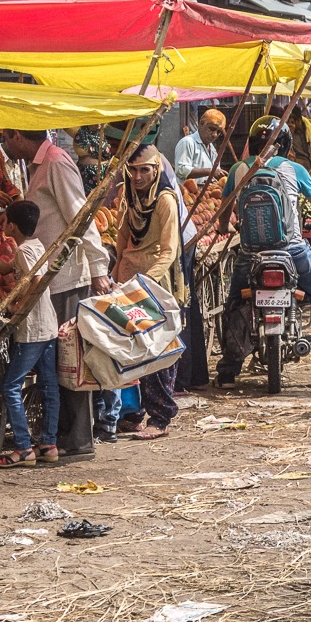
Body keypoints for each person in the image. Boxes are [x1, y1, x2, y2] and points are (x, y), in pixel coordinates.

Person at [0, 129, 112, 459]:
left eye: (6, 139)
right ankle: (57, 438)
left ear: (18, 136)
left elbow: (82, 217)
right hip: (50, 280)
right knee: (56, 368)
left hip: (65, 278)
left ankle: (77, 442)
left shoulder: (55, 163)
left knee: (69, 362)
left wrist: (98, 266)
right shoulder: (35, 167)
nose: (4, 146)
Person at [215, 117, 311, 389]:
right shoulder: (295, 169)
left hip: (251, 255)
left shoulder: (237, 169)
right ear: (285, 144)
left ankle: (228, 369)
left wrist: (225, 227)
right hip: (292, 251)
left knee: (234, 302)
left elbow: (224, 209)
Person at [100, 145, 184, 438]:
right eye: (132, 170)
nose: (137, 176)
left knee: (158, 352)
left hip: (154, 286)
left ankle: (159, 418)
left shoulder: (165, 201)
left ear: (157, 170)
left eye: (144, 170)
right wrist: (112, 277)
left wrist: (145, 282)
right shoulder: (129, 197)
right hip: (127, 283)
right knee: (130, 352)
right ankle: (132, 414)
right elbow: (123, 239)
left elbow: (169, 250)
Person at [0, 201, 60, 467]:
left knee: (10, 385)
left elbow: (34, 282)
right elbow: (3, 268)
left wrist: (16, 307)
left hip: (32, 328)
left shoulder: (24, 251)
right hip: (48, 325)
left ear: (12, 225)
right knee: (49, 385)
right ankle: (49, 443)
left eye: (5, 220)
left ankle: (23, 448)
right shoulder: (35, 246)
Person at [174, 110, 227, 184]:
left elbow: (214, 174)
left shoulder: (213, 150)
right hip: (187, 194)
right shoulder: (188, 142)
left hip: (206, 193)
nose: (215, 134)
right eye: (212, 129)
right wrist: (210, 171)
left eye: (218, 132)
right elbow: (181, 170)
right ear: (201, 124)